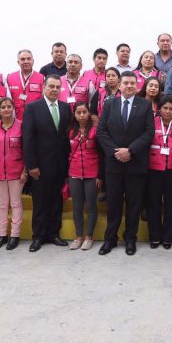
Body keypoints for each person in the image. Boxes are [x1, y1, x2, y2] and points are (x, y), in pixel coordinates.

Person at [96, 71, 155, 256]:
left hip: (135, 163)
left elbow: (148, 133)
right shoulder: (109, 104)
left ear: (137, 86)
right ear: (119, 86)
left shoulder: (145, 105)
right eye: (126, 83)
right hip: (113, 165)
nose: (129, 85)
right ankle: (110, 239)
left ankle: (130, 239)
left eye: (132, 83)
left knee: (134, 204)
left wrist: (130, 151)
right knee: (113, 204)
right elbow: (101, 131)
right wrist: (116, 152)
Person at [22, 75, 73, 252]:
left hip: (60, 165)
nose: (54, 90)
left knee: (56, 201)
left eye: (58, 87)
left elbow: (66, 138)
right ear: (43, 87)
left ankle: (53, 234)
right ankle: (38, 237)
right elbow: (27, 139)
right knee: (40, 202)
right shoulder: (32, 108)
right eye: (51, 86)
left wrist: (68, 165)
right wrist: (31, 166)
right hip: (40, 167)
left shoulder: (66, 108)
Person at [0, 97, 27, 251]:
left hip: (17, 172)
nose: (7, 109)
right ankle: (2, 235)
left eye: (9, 106)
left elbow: (26, 150)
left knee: (15, 203)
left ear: (13, 108)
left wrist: (25, 171)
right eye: (3, 107)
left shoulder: (21, 126)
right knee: (2, 205)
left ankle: (15, 235)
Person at [146, 96, 172, 249]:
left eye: (171, 109)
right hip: (154, 169)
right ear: (159, 109)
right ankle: (154, 237)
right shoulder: (151, 123)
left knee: (171, 204)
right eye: (165, 108)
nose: (167, 111)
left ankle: (167, 237)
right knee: (153, 204)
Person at [67, 102, 101, 251]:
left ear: (89, 113)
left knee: (91, 205)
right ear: (74, 114)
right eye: (78, 112)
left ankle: (89, 237)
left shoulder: (95, 131)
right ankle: (79, 236)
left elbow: (102, 154)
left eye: (84, 112)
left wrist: (100, 176)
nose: (82, 115)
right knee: (77, 206)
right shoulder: (70, 131)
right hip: (74, 173)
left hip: (92, 173)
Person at [6, 49, 45, 120]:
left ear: (33, 61)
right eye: (22, 59)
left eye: (28, 59)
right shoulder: (9, 78)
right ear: (18, 62)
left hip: (35, 118)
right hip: (14, 118)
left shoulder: (42, 78)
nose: (26, 61)